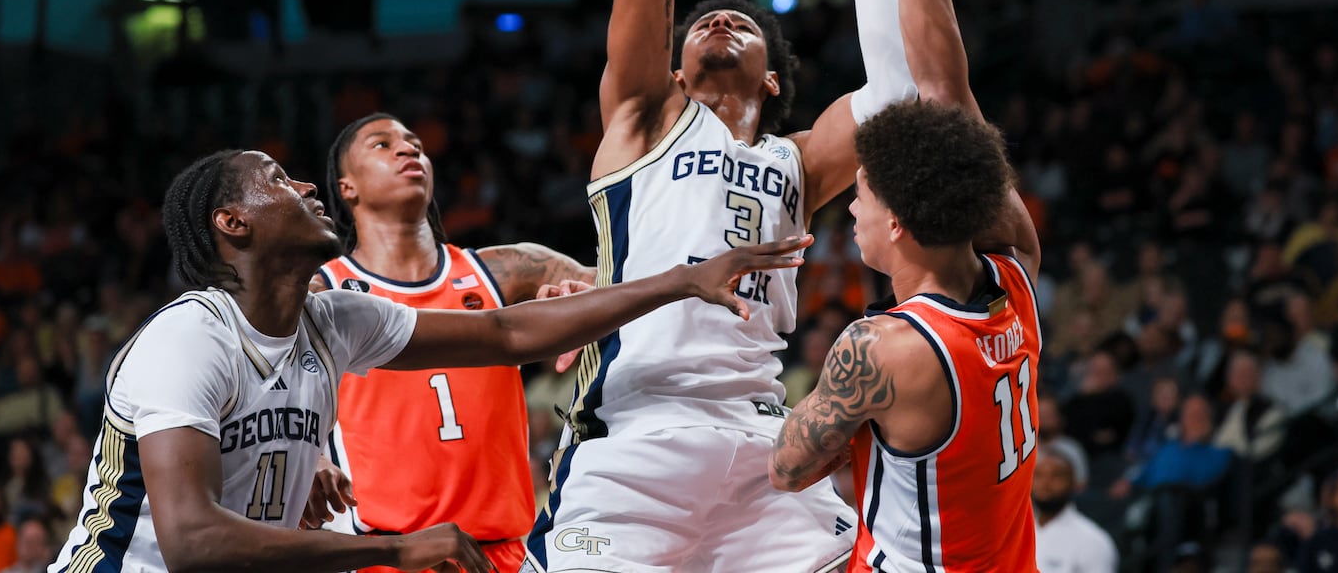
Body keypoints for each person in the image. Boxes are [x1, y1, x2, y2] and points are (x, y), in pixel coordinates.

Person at [522, 0, 917, 573]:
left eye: (742, 22)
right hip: (632, 440)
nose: (716, 21)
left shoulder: (801, 162)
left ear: (774, 80)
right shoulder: (644, 119)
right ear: (670, 68)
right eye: (701, 20)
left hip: (763, 444)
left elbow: (897, 85)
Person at [48, 149, 809, 573]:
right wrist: (399, 547)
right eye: (279, 179)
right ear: (232, 223)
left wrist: (678, 280)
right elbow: (193, 541)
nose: (306, 185)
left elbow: (508, 337)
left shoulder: (332, 321)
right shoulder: (192, 339)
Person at [769, 0, 1043, 571]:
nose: (845, 211)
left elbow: (787, 466)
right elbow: (945, 91)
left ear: (895, 222)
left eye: (858, 195)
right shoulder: (1016, 279)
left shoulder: (881, 349)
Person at [304, 113, 594, 573]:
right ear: (347, 188)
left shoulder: (508, 269)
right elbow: (270, 385)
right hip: (386, 552)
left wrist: (580, 297)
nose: (407, 149)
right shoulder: (323, 293)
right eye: (382, 144)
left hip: (504, 549)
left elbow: (619, 286)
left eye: (414, 142)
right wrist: (310, 454)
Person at [1034, 446, 1119, 573]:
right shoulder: (1015, 533)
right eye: (1038, 475)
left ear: (1074, 483)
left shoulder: (1093, 541)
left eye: (1056, 476)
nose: (1045, 483)